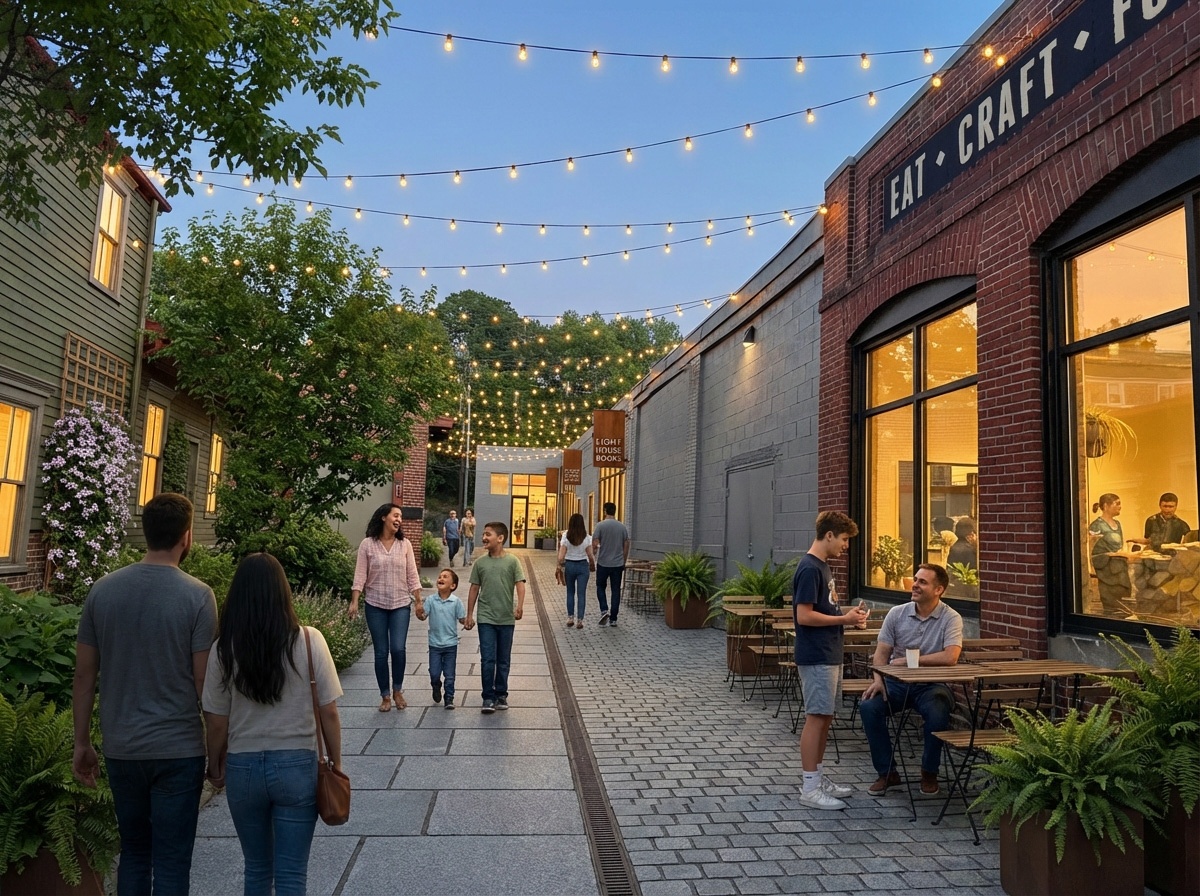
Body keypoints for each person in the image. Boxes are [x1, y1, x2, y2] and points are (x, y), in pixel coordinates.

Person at [72, 492, 217, 896]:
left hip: (122, 746)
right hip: (178, 748)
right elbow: (204, 682)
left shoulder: (103, 591)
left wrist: (81, 742)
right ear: (186, 537)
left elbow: (84, 676)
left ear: (145, 532)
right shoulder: (198, 595)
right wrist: (218, 746)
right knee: (172, 859)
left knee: (134, 851)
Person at [203, 553, 342, 896]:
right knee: (292, 873)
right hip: (297, 765)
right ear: (284, 593)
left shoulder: (223, 650)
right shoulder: (310, 641)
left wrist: (214, 764)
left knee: (257, 869)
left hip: (243, 766)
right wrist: (336, 763)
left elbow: (216, 721)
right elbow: (329, 712)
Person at [860, 563, 963, 797]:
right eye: (915, 579)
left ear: (939, 590)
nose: (914, 584)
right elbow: (882, 653)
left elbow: (951, 656)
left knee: (938, 711)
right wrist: (878, 680)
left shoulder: (951, 617)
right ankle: (887, 772)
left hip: (932, 685)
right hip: (896, 684)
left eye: (922, 582)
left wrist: (909, 660)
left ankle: (929, 772)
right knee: (869, 707)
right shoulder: (897, 613)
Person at [792, 510, 869, 810]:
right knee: (816, 718)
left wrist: (848, 618)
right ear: (829, 535)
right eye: (844, 539)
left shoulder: (822, 567)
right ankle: (809, 788)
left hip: (829, 653)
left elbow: (825, 610)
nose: (846, 546)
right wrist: (844, 619)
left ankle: (817, 778)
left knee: (825, 718)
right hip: (817, 655)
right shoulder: (810, 569)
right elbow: (804, 615)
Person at [348, 503, 424, 712]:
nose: (399, 519)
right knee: (381, 652)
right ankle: (385, 696)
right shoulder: (367, 544)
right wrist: (354, 601)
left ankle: (398, 689)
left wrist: (418, 601)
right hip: (375, 605)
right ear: (383, 517)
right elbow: (360, 575)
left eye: (401, 516)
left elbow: (412, 574)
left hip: (400, 604)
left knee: (398, 649)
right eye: (395, 515)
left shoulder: (405, 544)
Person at [463, 521, 526, 713]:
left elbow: (520, 585)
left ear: (500, 538)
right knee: (488, 658)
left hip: (506, 618)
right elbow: (474, 588)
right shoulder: (481, 563)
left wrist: (520, 607)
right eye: (483, 534)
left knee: (503, 659)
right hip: (486, 618)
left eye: (488, 534)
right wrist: (469, 614)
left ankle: (501, 694)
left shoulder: (513, 561)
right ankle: (488, 697)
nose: (483, 537)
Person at [419, 568, 466, 709]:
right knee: (434, 672)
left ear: (453, 586)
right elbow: (423, 616)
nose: (441, 578)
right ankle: (436, 684)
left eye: (445, 577)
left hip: (451, 644)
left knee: (449, 674)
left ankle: (449, 697)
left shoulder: (456, 602)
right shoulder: (431, 600)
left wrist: (469, 622)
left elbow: (462, 619)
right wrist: (418, 611)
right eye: (439, 576)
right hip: (434, 644)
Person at [1089, 493, 1132, 616]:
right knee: (1112, 606)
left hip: (1121, 569)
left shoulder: (1117, 524)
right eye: (1116, 503)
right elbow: (1092, 549)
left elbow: (1120, 545)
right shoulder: (1096, 525)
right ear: (1106, 506)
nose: (1120, 506)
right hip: (1107, 571)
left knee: (1124, 601)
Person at [593, 502, 630, 627]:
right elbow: (626, 544)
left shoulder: (600, 526)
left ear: (605, 511)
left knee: (600, 586)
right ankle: (614, 618)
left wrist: (595, 552)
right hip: (617, 563)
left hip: (603, 563)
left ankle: (604, 609)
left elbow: (595, 543)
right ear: (615, 511)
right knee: (615, 590)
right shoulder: (622, 527)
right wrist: (623, 560)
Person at [557, 512, 596, 628]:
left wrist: (559, 565)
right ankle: (580, 620)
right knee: (581, 594)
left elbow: (560, 556)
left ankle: (570, 618)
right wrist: (592, 565)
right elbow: (590, 555)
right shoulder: (587, 537)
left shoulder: (566, 536)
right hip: (583, 566)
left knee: (570, 592)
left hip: (570, 566)